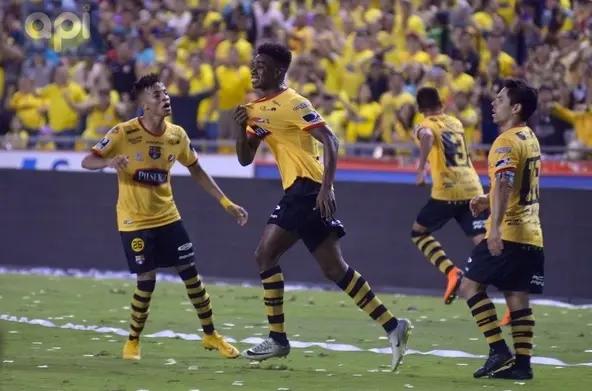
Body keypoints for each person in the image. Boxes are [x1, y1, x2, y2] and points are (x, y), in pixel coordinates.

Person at [233, 43, 410, 370]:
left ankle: (277, 338)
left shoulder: (294, 103)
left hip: (307, 188)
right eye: (253, 64)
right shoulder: (255, 109)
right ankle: (392, 325)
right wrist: (238, 126)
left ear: (279, 71)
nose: (254, 70)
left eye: (261, 65)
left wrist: (326, 187)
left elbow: (331, 140)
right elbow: (245, 158)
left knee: (264, 255)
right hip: (305, 189)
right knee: (334, 269)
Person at [80, 73, 248, 361]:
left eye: (165, 93)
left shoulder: (177, 135)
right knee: (146, 281)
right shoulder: (123, 132)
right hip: (134, 221)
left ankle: (211, 335)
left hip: (168, 216)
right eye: (157, 95)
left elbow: (197, 170)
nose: (165, 98)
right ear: (144, 104)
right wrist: (109, 162)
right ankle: (133, 341)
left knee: (192, 276)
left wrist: (225, 202)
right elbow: (88, 160)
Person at [459, 79, 543, 380]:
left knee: (468, 287)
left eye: (500, 99)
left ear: (516, 107)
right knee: (517, 296)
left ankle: (498, 349)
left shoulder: (505, 141)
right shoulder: (529, 137)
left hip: (509, 231)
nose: (493, 104)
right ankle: (523, 365)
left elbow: (506, 183)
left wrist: (492, 228)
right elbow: (514, 182)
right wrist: (486, 197)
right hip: (532, 232)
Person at [411, 87, 487, 305]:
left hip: (447, 190)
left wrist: (420, 168)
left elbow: (426, 136)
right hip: (473, 187)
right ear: (441, 103)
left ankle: (452, 272)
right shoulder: (456, 123)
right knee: (483, 243)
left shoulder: (425, 124)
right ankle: (513, 293)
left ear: (420, 109)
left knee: (419, 233)